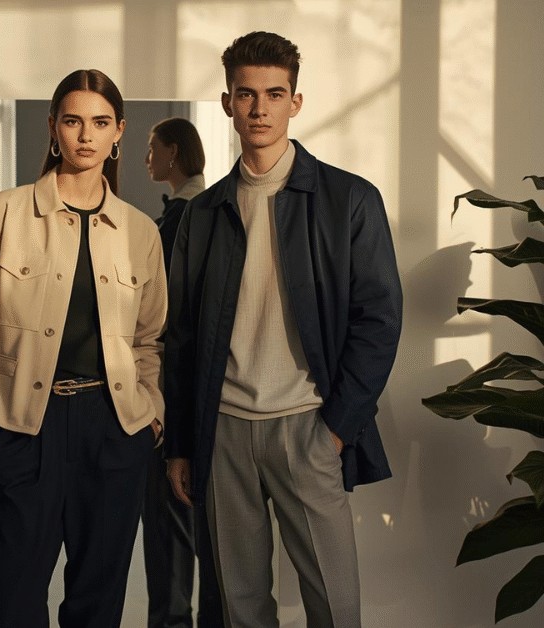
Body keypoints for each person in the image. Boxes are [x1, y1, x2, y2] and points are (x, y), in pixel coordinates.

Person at [164, 32, 402, 628]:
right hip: (222, 431)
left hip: (309, 425)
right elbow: (183, 334)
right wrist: (183, 445)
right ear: (227, 103)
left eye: (274, 94)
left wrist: (338, 429)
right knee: (239, 606)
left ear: (296, 102)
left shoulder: (348, 199)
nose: (259, 108)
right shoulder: (205, 212)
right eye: (246, 95)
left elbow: (380, 319)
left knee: (334, 604)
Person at [0, 69, 167, 628]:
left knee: (98, 598)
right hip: (25, 425)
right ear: (52, 128)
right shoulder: (3, 213)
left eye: (100, 122)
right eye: (72, 121)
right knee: (8, 599)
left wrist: (150, 417)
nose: (86, 135)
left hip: (115, 430)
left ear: (119, 133)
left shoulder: (140, 232)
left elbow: (150, 339)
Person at [142, 118, 223, 628]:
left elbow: (172, 314)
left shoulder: (186, 216)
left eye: (152, 149)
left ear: (173, 152)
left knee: (174, 520)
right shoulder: (199, 208)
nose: (147, 158)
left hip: (178, 387)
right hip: (196, 387)